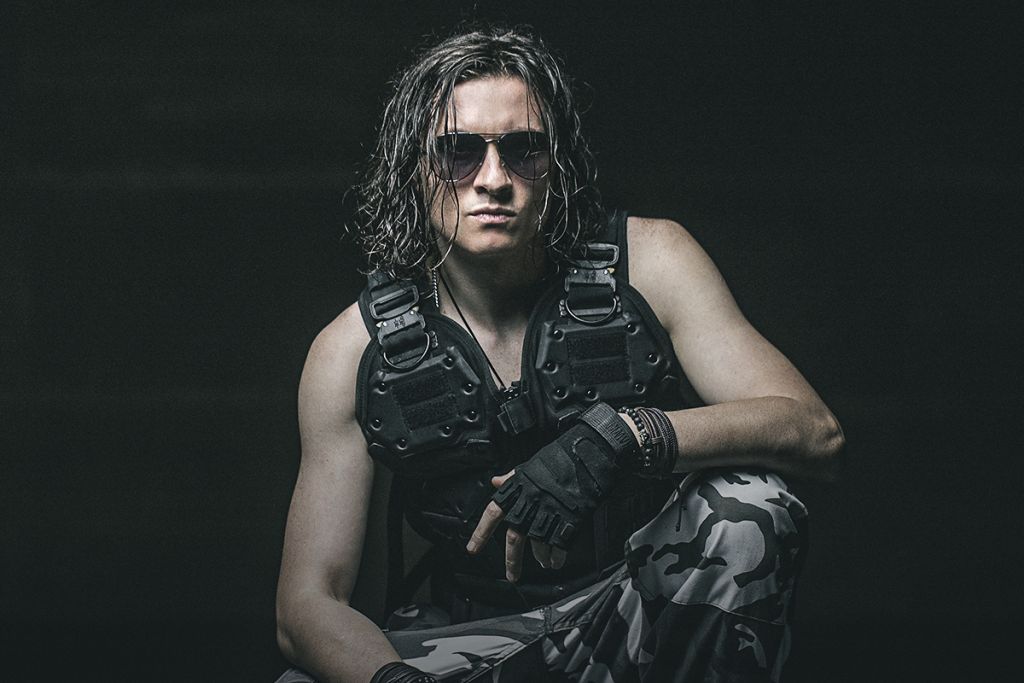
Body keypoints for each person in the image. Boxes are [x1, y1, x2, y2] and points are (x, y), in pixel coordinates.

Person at [274, 25, 844, 683]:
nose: (494, 180)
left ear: (557, 165)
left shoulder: (651, 263)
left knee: (751, 508)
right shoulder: (352, 351)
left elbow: (814, 432)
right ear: (414, 168)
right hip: (475, 641)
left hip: (637, 611)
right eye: (458, 152)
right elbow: (306, 605)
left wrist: (622, 436)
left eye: (523, 150)